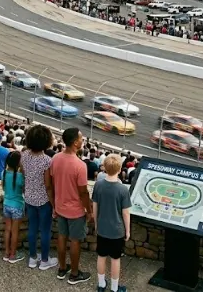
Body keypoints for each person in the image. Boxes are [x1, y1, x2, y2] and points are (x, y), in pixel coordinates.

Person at [51, 127, 92, 284]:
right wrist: (89, 210)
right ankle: (74, 274)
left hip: (60, 206)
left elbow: (53, 182)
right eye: (81, 139)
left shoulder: (55, 158)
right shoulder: (80, 165)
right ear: (75, 143)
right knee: (75, 240)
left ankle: (62, 268)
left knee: (62, 236)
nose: (82, 141)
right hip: (75, 210)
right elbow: (83, 193)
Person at [20, 125, 57, 270]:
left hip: (29, 198)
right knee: (45, 230)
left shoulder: (24, 156)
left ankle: (33, 257)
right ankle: (45, 260)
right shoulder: (47, 160)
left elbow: (24, 175)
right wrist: (54, 204)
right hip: (43, 200)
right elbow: (48, 185)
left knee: (32, 229)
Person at [92, 154, 131, 292]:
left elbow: (95, 207)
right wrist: (128, 231)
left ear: (105, 168)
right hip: (117, 230)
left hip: (102, 227)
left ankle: (101, 284)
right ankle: (114, 288)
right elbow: (126, 213)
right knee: (115, 259)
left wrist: (96, 223)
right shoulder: (123, 190)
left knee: (101, 257)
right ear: (120, 170)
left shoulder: (98, 185)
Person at [1, 150, 25, 264]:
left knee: (7, 230)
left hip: (6, 204)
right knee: (15, 231)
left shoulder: (3, 173)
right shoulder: (20, 176)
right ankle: (13, 255)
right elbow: (24, 190)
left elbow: (3, 188)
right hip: (17, 205)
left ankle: (6, 253)